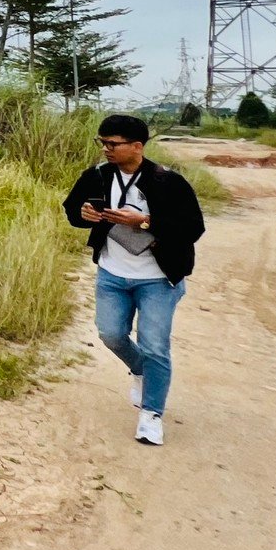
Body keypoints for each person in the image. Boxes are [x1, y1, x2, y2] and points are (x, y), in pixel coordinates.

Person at [63, 113, 205, 446]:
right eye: (102, 143)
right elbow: (72, 210)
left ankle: (151, 415)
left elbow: (192, 229)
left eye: (113, 144)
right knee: (111, 334)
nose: (106, 150)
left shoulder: (168, 181)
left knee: (156, 345)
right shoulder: (97, 177)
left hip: (158, 279)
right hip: (112, 274)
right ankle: (142, 369)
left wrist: (144, 222)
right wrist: (82, 215)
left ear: (137, 146)